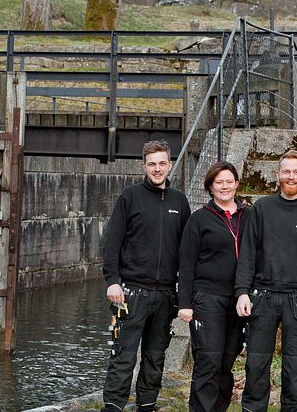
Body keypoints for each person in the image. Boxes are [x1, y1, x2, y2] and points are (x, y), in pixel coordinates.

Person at [235, 149, 297, 412]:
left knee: (295, 368)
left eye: (296, 172)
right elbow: (247, 253)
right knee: (256, 365)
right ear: (277, 174)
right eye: (286, 171)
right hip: (263, 297)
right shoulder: (262, 208)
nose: (291, 176)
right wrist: (242, 292)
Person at [101, 140, 190, 412]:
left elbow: (187, 252)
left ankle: (147, 406)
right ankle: (114, 406)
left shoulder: (179, 201)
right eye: (152, 164)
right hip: (131, 293)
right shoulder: (130, 196)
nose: (157, 169)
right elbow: (112, 241)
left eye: (162, 163)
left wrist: (183, 296)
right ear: (144, 166)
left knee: (155, 357)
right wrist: (112, 280)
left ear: (170, 165)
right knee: (123, 356)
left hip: (165, 295)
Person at [178, 161, 249, 412]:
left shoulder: (248, 216)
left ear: (237, 184)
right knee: (208, 361)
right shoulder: (199, 219)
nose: (225, 186)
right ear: (210, 186)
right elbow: (186, 264)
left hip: (239, 300)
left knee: (226, 362)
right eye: (219, 182)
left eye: (229, 181)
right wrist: (184, 303)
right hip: (208, 298)